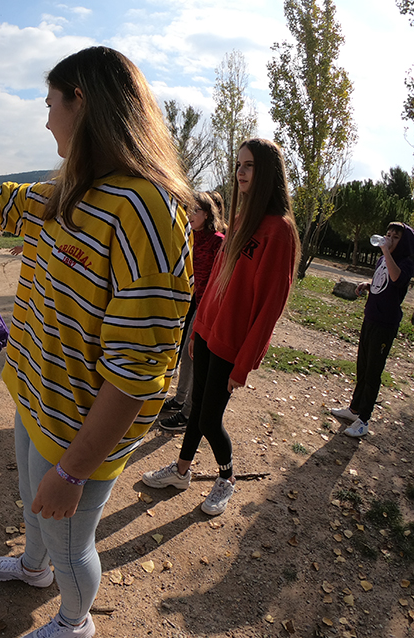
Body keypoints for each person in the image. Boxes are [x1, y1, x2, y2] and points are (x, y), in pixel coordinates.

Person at [0, 46, 193, 638]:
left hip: (80, 422)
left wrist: (75, 471)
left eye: (50, 103)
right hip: (37, 395)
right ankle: (33, 569)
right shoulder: (71, 189)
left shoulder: (147, 208)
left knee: (69, 538)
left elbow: (140, 368)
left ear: (82, 102)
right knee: (33, 499)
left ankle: (75, 622)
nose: (46, 119)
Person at [143, 138, 300, 516]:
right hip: (207, 334)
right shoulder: (242, 220)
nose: (240, 173)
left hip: (232, 344)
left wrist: (244, 365)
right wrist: (198, 327)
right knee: (198, 409)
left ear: (267, 172)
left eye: (249, 166)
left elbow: (270, 307)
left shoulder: (280, 230)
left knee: (210, 419)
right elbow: (215, 280)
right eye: (238, 165)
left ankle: (227, 478)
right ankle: (181, 471)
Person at [330, 221, 414, 437]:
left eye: (395, 237)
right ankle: (354, 410)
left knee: (373, 372)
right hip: (371, 318)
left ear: (404, 242)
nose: (389, 239)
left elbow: (397, 278)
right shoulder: (382, 260)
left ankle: (364, 420)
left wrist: (386, 250)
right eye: (388, 234)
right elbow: (384, 283)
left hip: (385, 325)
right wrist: (368, 286)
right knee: (362, 367)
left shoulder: (405, 263)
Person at [160, 191, 226, 432]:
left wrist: (205, 310)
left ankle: (188, 412)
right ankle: (179, 399)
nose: (190, 214)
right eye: (189, 209)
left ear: (207, 214)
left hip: (206, 305)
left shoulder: (218, 241)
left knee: (193, 354)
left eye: (195, 210)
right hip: (188, 300)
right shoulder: (189, 235)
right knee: (183, 352)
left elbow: (220, 279)